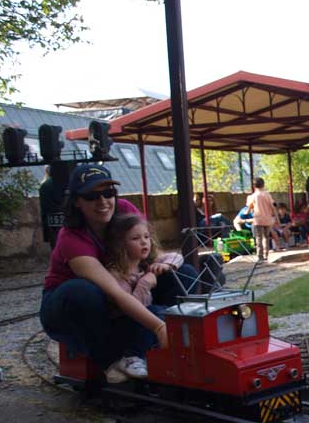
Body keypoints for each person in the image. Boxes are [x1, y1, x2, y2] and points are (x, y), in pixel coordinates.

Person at [39, 164, 194, 384]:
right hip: (73, 306)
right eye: (91, 196)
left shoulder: (124, 210)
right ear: (76, 201)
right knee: (84, 291)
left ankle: (166, 348)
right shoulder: (71, 237)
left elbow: (151, 253)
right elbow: (114, 292)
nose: (102, 201)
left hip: (126, 289)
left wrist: (150, 276)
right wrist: (159, 326)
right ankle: (110, 361)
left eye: (108, 192)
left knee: (183, 274)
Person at [103, 214, 184, 379]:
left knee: (184, 273)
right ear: (120, 244)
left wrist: (165, 265)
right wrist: (145, 283)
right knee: (157, 312)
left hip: (147, 319)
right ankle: (131, 357)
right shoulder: (116, 273)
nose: (144, 242)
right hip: (125, 324)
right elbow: (131, 308)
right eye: (135, 238)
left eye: (146, 237)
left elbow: (177, 257)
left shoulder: (144, 263)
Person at [246, 177, 276, 262]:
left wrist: (247, 212)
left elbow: (249, 207)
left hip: (258, 219)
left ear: (254, 186)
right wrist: (274, 215)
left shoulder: (253, 196)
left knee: (259, 238)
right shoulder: (267, 194)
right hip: (267, 219)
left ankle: (260, 256)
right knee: (266, 237)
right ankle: (266, 254)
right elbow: (273, 205)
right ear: (263, 184)